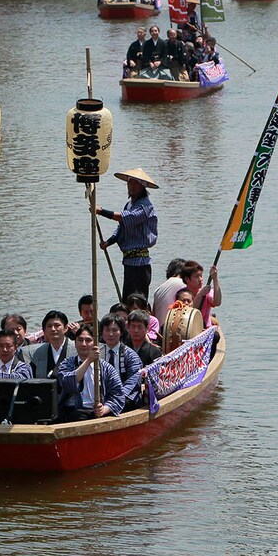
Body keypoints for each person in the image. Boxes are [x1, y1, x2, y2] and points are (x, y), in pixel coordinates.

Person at [97, 167, 159, 300]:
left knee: (138, 300)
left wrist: (102, 212)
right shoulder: (129, 205)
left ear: (142, 187)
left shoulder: (145, 206)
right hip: (129, 261)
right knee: (127, 300)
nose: (132, 186)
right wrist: (108, 242)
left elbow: (127, 218)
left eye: (136, 184)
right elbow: (122, 227)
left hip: (140, 263)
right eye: (130, 183)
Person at [56, 324, 125, 421]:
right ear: (75, 343)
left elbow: (118, 394)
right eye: (80, 340)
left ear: (95, 344)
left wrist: (104, 409)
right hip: (72, 411)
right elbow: (67, 383)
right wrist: (88, 360)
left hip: (96, 411)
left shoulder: (106, 368)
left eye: (88, 340)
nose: (83, 344)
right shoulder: (67, 364)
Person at [99, 315, 145, 410]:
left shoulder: (131, 355)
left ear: (121, 332)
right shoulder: (97, 354)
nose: (110, 334)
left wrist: (114, 401)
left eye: (114, 330)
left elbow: (133, 382)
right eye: (107, 330)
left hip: (124, 398)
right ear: (102, 332)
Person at [27, 310, 75, 380]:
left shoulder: (77, 349)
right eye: (49, 326)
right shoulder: (36, 353)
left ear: (65, 328)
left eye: (57, 325)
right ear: (44, 330)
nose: (53, 329)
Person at [150, 258, 187, 329]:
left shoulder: (158, 290)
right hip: (177, 330)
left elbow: (154, 314)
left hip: (160, 330)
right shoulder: (184, 285)